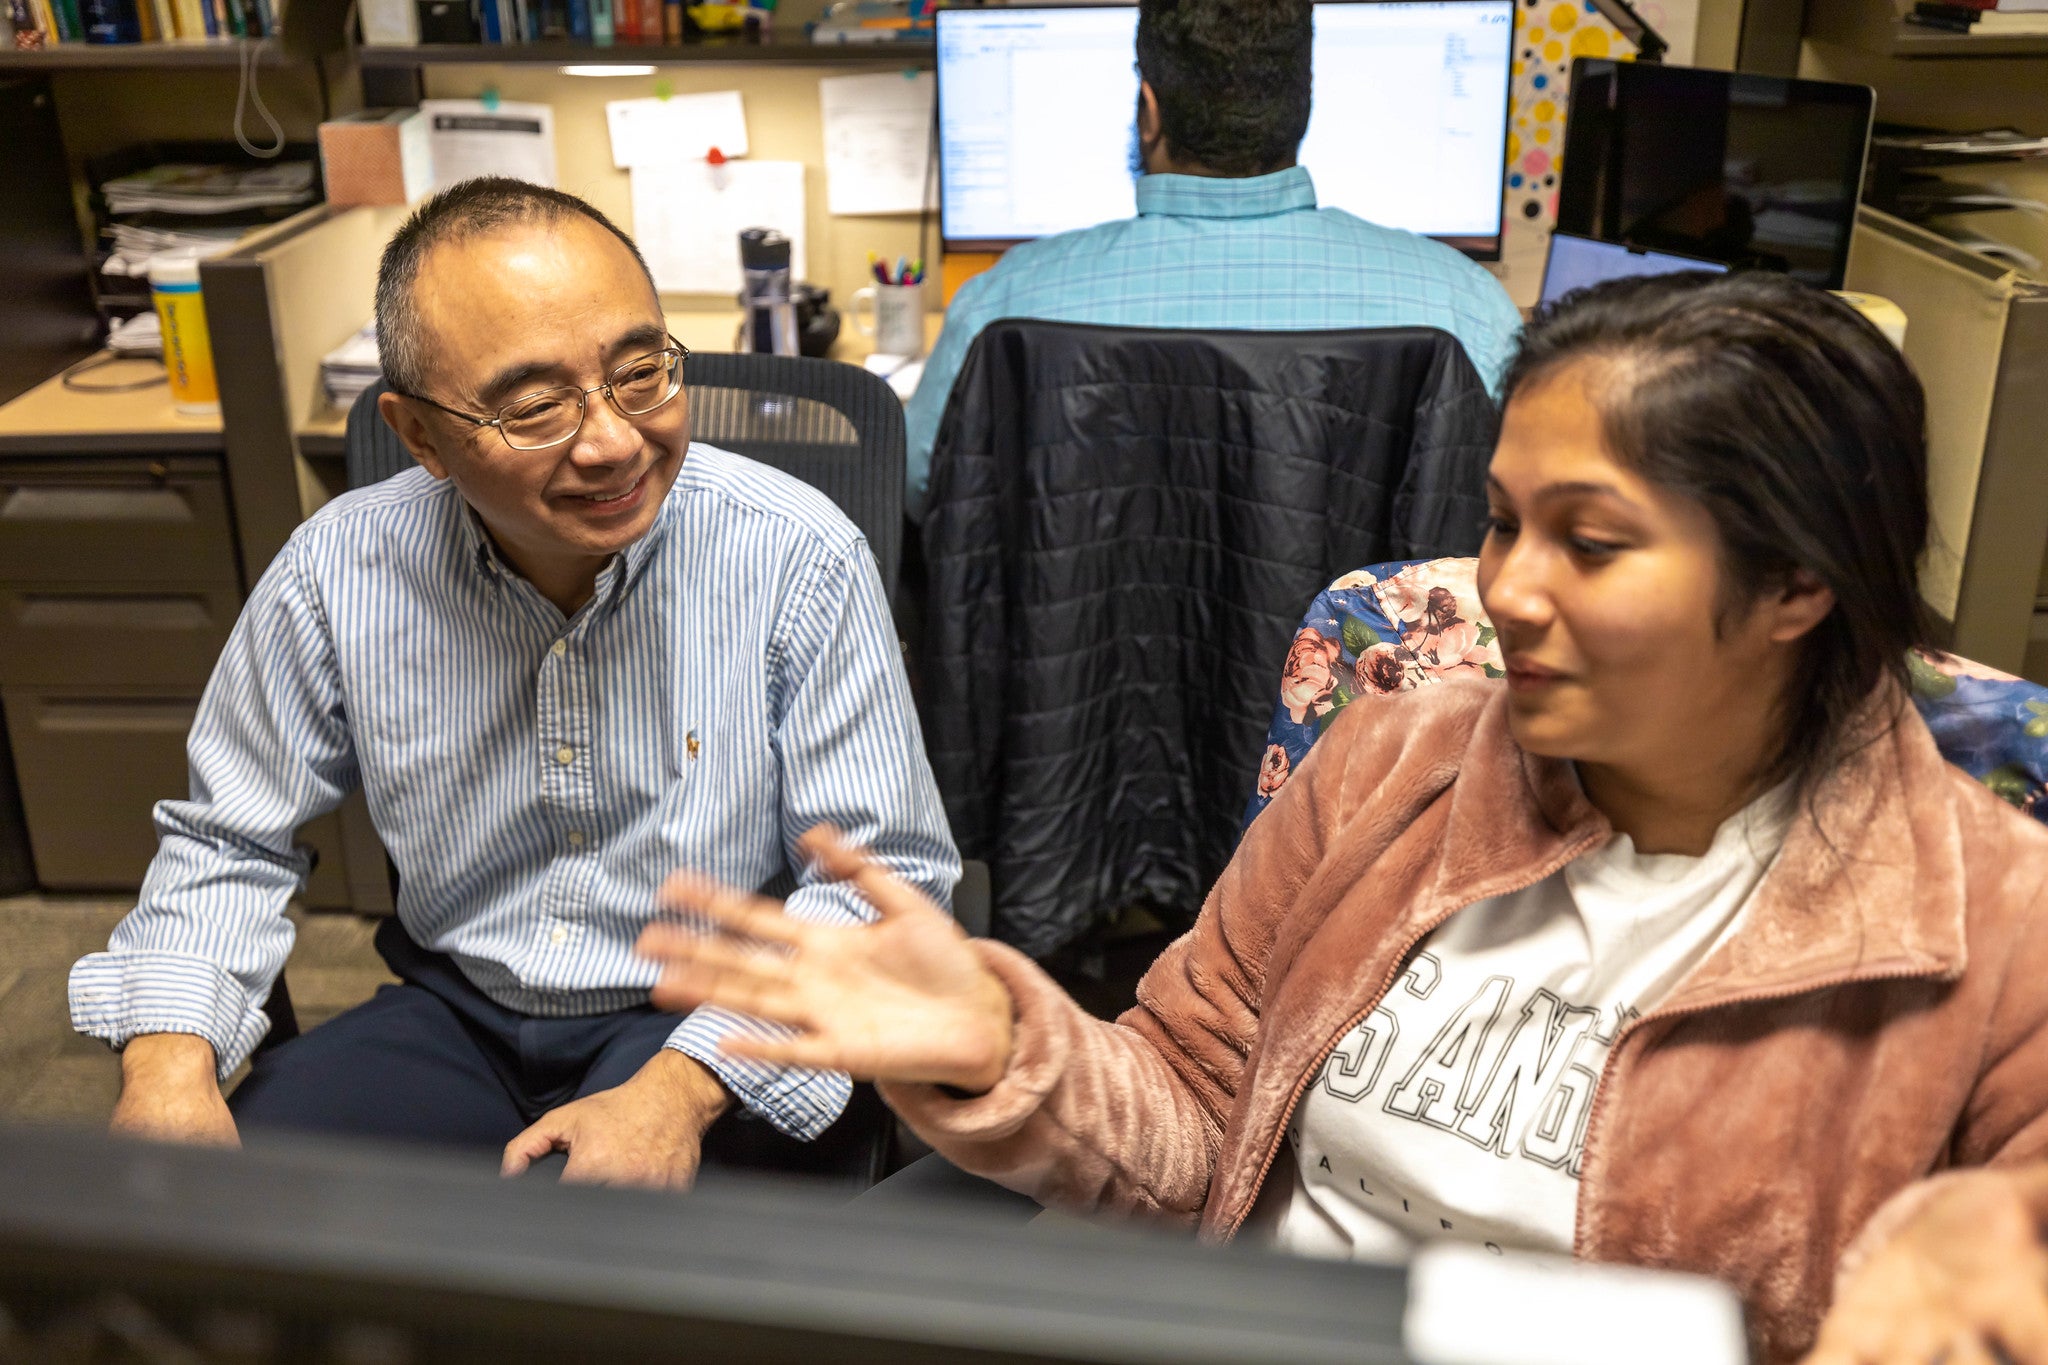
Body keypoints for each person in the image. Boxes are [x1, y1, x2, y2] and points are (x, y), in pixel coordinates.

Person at [639, 271, 2048, 1363]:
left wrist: (1986, 1232)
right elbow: (1190, 1127)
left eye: (1594, 542)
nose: (1511, 589)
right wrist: (1011, 1048)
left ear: (1800, 585)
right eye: (1502, 523)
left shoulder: (1990, 930)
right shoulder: (1395, 764)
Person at [69, 178, 959, 1187]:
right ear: (419, 435)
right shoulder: (338, 570)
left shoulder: (796, 555)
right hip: (456, 1013)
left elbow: (882, 881)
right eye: (536, 408)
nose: (614, 440)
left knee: (588, 1282)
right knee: (234, 1230)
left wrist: (681, 1085)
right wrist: (168, 1068)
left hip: (712, 1019)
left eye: (641, 374)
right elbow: (229, 837)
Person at [900, 0, 1523, 520]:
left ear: (1149, 111)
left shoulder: (999, 303)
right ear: (1300, 111)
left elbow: (918, 491)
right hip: (1353, 667)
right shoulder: (1466, 308)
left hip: (1086, 662)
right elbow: (1504, 509)